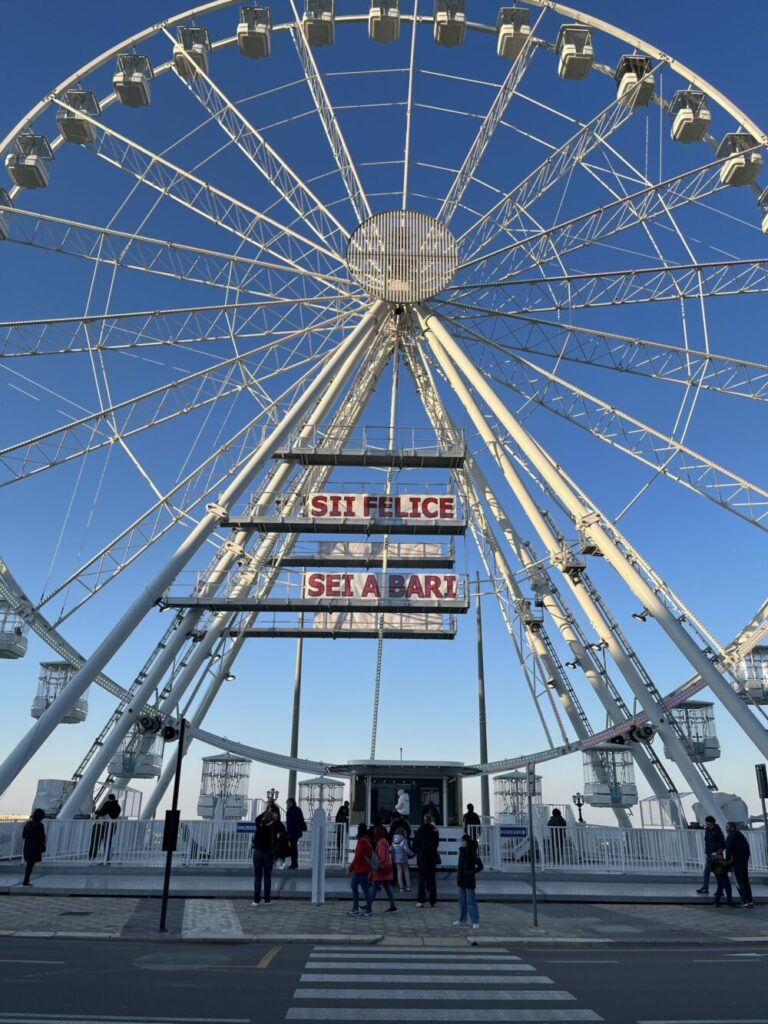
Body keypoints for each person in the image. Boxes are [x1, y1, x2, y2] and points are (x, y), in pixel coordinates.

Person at [251, 808, 284, 906]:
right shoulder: (273, 826)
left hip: (257, 853)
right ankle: (267, 900)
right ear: (271, 818)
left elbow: (257, 818)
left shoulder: (259, 824)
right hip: (268, 854)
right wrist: (275, 818)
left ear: (264, 817)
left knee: (257, 877)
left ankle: (256, 900)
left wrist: (265, 812)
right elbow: (283, 828)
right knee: (267, 877)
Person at [453, 833, 484, 929]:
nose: (461, 843)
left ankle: (475, 921)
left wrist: (471, 872)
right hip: (461, 879)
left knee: (471, 901)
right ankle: (462, 919)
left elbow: (480, 866)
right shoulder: (461, 851)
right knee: (462, 901)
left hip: (469, 880)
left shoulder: (472, 853)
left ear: (466, 842)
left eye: (462, 841)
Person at [413, 813, 440, 908]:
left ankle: (421, 901)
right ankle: (432, 901)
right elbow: (437, 843)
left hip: (422, 856)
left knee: (422, 879)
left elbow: (415, 843)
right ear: (431, 820)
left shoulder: (420, 829)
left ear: (424, 820)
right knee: (432, 879)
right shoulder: (435, 829)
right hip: (432, 856)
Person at [347, 823, 374, 917]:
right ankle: (355, 908)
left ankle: (368, 910)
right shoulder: (367, 840)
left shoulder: (362, 841)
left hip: (361, 869)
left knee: (363, 889)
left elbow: (357, 856)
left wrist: (350, 868)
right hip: (362, 869)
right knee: (355, 886)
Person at [724, 821, 753, 907]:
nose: (726, 829)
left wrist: (727, 862)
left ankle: (744, 901)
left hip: (735, 864)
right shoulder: (741, 836)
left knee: (738, 882)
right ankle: (750, 901)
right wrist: (746, 859)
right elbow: (747, 849)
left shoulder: (730, 836)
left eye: (727, 827)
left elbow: (728, 851)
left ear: (732, 827)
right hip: (744, 862)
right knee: (745, 881)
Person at [696, 815, 725, 895]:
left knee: (718, 872)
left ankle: (720, 890)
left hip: (717, 855)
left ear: (712, 822)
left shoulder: (717, 831)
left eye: (707, 823)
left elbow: (722, 842)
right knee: (706, 871)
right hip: (709, 854)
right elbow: (707, 841)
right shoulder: (707, 830)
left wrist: (718, 852)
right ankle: (705, 887)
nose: (706, 824)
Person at [370, 832, 397, 913]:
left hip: (381, 868)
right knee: (387, 887)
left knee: (375, 887)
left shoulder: (380, 843)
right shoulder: (385, 841)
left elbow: (381, 857)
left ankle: (368, 904)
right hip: (387, 867)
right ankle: (392, 905)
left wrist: (376, 865)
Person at [21, 809, 46, 886]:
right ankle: (26, 880)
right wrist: (43, 846)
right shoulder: (40, 825)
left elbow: (23, 836)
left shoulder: (27, 824)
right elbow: (42, 837)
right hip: (35, 847)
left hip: (27, 846)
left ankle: (26, 880)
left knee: (29, 864)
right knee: (30, 865)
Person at [284, 797, 307, 870]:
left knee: (293, 848)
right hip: (296, 832)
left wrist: (289, 832)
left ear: (290, 803)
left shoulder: (291, 811)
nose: (286, 805)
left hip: (293, 832)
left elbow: (291, 823)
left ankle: (294, 864)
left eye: (287, 803)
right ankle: (294, 863)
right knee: (294, 848)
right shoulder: (297, 810)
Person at [391, 827, 413, 892]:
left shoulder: (393, 840)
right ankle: (408, 887)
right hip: (403, 858)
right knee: (406, 871)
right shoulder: (404, 839)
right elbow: (406, 849)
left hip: (396, 858)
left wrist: (392, 858)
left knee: (399, 871)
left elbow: (392, 850)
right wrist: (412, 853)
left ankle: (401, 887)